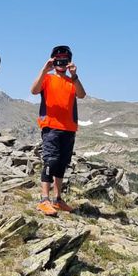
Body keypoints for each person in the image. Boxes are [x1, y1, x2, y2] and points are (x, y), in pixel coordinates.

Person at [30, 45, 86, 216]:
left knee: (62, 163)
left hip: (69, 128)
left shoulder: (71, 81)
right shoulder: (47, 78)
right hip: (51, 127)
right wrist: (44, 69)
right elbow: (34, 90)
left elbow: (82, 94)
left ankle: (58, 199)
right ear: (53, 61)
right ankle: (44, 199)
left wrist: (74, 75)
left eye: (65, 60)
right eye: (58, 60)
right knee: (51, 161)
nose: (62, 63)